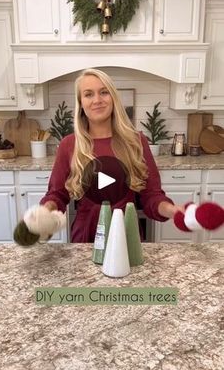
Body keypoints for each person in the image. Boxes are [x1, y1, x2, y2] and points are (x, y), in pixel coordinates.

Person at [38, 68, 184, 243]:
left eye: (104, 92)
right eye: (88, 94)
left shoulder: (136, 141)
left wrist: (172, 210)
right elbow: (57, 194)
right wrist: (44, 213)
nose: (97, 100)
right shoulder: (69, 144)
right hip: (85, 237)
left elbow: (151, 195)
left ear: (113, 98)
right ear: (81, 103)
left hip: (126, 234)